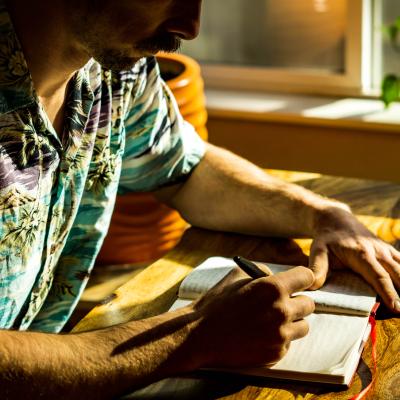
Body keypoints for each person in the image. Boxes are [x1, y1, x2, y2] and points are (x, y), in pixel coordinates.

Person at [0, 0, 399, 398]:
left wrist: (325, 215)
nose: (191, 27)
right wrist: (186, 337)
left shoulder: (112, 70)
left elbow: (186, 171)